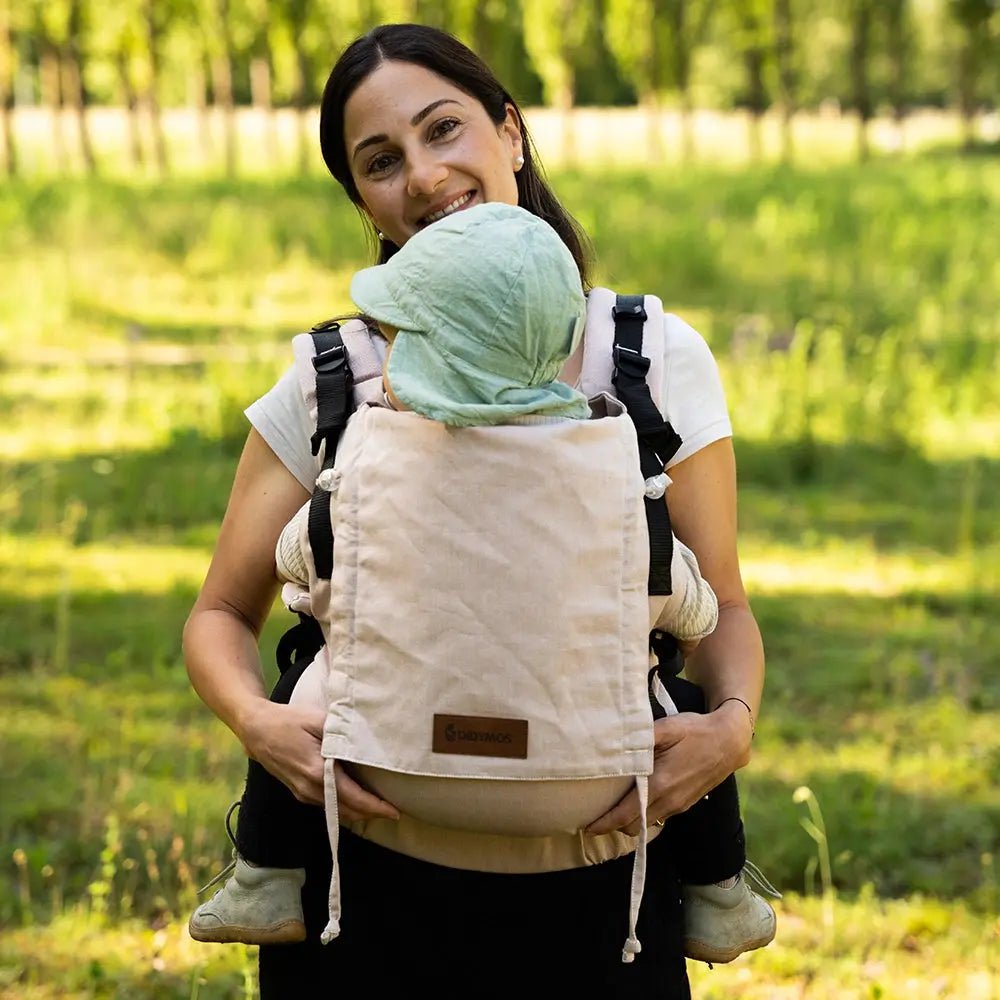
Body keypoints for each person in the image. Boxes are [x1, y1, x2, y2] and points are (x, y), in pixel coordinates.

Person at [182, 23, 769, 996]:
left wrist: (729, 729)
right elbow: (218, 612)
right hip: (357, 895)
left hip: (601, 893)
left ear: (510, 131)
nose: (420, 174)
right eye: (381, 160)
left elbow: (725, 612)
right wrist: (258, 720)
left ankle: (711, 888)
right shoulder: (332, 378)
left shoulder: (653, 358)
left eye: (442, 129)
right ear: (362, 201)